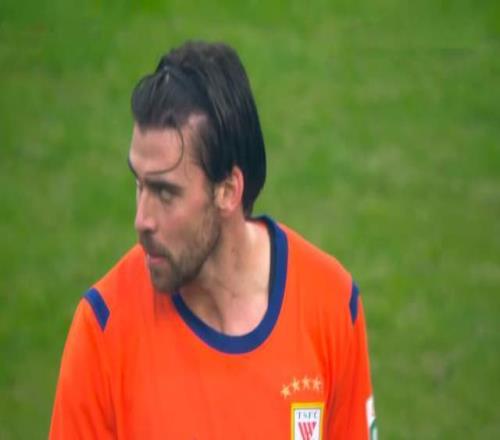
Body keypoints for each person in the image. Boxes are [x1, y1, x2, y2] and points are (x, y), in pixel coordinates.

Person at [50, 40, 377, 439]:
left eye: (165, 192)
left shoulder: (331, 303)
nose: (142, 220)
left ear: (227, 191)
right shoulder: (104, 329)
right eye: (140, 185)